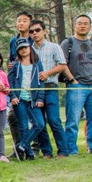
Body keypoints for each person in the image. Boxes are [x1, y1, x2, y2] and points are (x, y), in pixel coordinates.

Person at [29, 20, 68, 158]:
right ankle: (47, 152)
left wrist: (47, 73)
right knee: (40, 122)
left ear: (44, 31)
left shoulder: (54, 47)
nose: (35, 33)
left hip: (50, 87)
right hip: (34, 90)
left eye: (37, 30)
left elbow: (62, 65)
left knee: (54, 120)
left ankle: (63, 151)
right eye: (32, 31)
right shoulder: (28, 49)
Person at [8, 38, 45, 161]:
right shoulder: (15, 65)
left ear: (30, 48)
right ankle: (29, 154)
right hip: (20, 100)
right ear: (17, 51)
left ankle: (22, 145)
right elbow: (10, 82)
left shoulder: (37, 64)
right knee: (23, 126)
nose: (23, 50)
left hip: (33, 100)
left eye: (25, 47)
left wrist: (40, 98)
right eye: (20, 49)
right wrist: (13, 96)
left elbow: (41, 82)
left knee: (39, 124)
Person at [60, 14, 92, 155]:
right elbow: (62, 64)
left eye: (86, 23)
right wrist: (72, 80)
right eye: (80, 23)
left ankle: (90, 146)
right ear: (75, 25)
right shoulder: (68, 43)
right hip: (76, 86)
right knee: (73, 120)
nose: (83, 26)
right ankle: (71, 149)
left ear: (90, 26)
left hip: (91, 86)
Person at [7, 11, 33, 154]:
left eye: (24, 20)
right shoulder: (13, 41)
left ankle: (33, 147)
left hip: (32, 83)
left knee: (36, 119)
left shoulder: (33, 38)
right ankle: (19, 148)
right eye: (18, 21)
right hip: (17, 82)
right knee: (13, 116)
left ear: (30, 23)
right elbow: (12, 59)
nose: (21, 23)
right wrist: (10, 65)